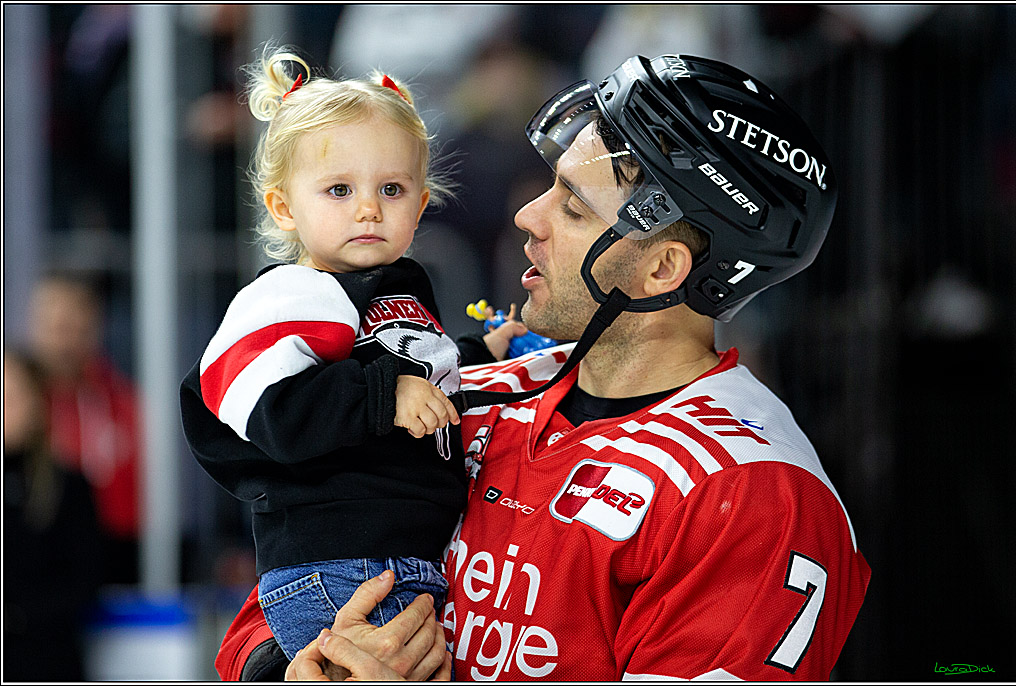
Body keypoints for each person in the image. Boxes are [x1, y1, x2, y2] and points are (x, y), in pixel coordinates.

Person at [217, 53, 871, 681]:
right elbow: (283, 584)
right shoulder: (461, 388)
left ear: (663, 268)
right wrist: (292, 670)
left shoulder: (753, 494)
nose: (527, 216)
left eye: (574, 207)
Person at [180, 46, 525, 665]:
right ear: (285, 206)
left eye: (391, 189)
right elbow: (268, 411)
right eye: (339, 189)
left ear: (421, 205)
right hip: (338, 560)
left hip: (404, 554)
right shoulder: (291, 294)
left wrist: (478, 353)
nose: (368, 207)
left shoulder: (397, 285)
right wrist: (386, 397)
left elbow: (415, 363)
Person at [28, 273, 143, 584]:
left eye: (73, 326)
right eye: (54, 327)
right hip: (38, 555)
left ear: (95, 326)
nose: (63, 340)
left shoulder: (124, 403)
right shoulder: (19, 407)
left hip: (115, 554)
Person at [4, 349, 104, 681]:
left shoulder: (68, 489)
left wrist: (17, 615)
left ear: (37, 405)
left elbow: (85, 581)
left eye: (10, 396)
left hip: (46, 663)